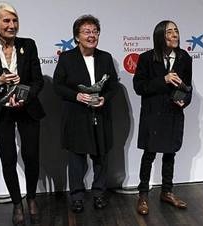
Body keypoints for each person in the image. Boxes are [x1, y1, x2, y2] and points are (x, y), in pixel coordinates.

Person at [0, 2, 45, 225]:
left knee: (32, 157)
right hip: (0, 112)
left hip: (27, 109)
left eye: (14, 21)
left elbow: (37, 81)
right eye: (6, 21)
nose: (12, 25)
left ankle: (32, 198)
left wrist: (25, 96)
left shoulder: (28, 45)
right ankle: (17, 203)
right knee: (8, 160)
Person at [53, 14, 119, 213]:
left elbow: (113, 85)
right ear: (76, 36)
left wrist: (104, 98)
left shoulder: (105, 57)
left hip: (100, 114)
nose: (92, 36)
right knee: (75, 160)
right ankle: (77, 197)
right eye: (87, 32)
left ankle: (99, 194)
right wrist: (76, 96)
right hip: (75, 115)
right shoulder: (67, 58)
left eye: (95, 32)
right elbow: (57, 85)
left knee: (100, 157)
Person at [133, 20, 192, 215]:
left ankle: (167, 191)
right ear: (160, 36)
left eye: (176, 30)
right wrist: (163, 80)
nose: (175, 35)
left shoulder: (185, 58)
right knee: (149, 154)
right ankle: (143, 194)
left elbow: (187, 87)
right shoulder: (146, 58)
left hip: (173, 113)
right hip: (153, 114)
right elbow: (139, 87)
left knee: (170, 154)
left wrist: (185, 101)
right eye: (170, 32)